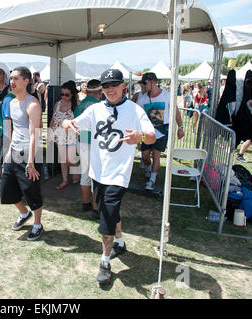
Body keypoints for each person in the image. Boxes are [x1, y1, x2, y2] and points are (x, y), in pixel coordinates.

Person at [62, 68, 156, 285]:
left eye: (114, 84)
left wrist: (140, 137)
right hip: (97, 172)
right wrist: (67, 124)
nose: (110, 89)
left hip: (119, 174)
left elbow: (151, 137)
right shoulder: (95, 109)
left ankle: (105, 262)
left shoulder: (134, 110)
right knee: (109, 210)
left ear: (124, 85)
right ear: (101, 89)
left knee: (106, 217)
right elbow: (74, 122)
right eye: (106, 86)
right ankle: (120, 242)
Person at [0, 66, 44, 241]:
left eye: (16, 78)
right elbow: (14, 131)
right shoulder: (11, 102)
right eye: (11, 78)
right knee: (6, 189)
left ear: (26, 81)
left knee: (31, 191)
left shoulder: (33, 104)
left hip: (29, 154)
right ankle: (24, 213)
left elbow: (35, 135)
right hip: (14, 152)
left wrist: (31, 162)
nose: (12, 82)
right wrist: (9, 152)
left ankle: (38, 224)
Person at [138, 72, 184, 191]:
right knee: (145, 156)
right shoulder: (143, 98)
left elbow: (176, 112)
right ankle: (149, 169)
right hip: (147, 131)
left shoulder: (167, 96)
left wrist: (180, 127)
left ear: (153, 82)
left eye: (145, 82)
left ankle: (152, 180)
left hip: (162, 130)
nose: (143, 85)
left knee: (156, 156)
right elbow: (137, 113)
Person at [73, 79, 101, 218]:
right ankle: (96, 209)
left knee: (85, 174)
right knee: (95, 175)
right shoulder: (100, 106)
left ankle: (86, 204)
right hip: (94, 143)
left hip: (81, 141)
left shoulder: (80, 105)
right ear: (100, 92)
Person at [49, 81, 79, 190]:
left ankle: (75, 172)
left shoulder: (77, 104)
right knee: (62, 159)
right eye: (62, 94)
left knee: (69, 159)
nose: (64, 96)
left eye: (67, 94)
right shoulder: (58, 103)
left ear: (72, 94)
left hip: (71, 135)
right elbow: (53, 118)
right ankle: (65, 180)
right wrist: (50, 131)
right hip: (59, 134)